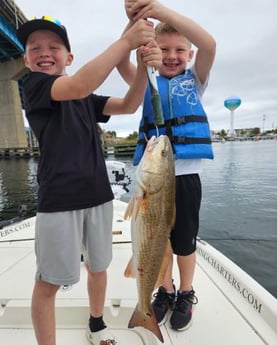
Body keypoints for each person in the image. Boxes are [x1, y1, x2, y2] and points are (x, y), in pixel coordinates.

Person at [16, 15, 161, 345]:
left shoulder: (86, 98)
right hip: (58, 202)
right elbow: (79, 84)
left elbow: (129, 104)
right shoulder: (35, 87)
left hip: (99, 196)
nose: (44, 52)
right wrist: (126, 43)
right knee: (49, 282)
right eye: (34, 47)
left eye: (54, 46)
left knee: (99, 268)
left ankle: (96, 324)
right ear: (25, 59)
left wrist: (140, 66)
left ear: (69, 58)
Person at [119, 0, 216, 331]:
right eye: (164, 49)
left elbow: (209, 44)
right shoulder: (145, 81)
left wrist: (162, 12)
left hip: (185, 179)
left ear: (189, 55)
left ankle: (185, 293)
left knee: (185, 241)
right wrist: (134, 27)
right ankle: (165, 290)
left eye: (179, 50)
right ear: (151, 51)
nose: (172, 56)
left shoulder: (196, 81)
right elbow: (120, 58)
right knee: (158, 242)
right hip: (151, 179)